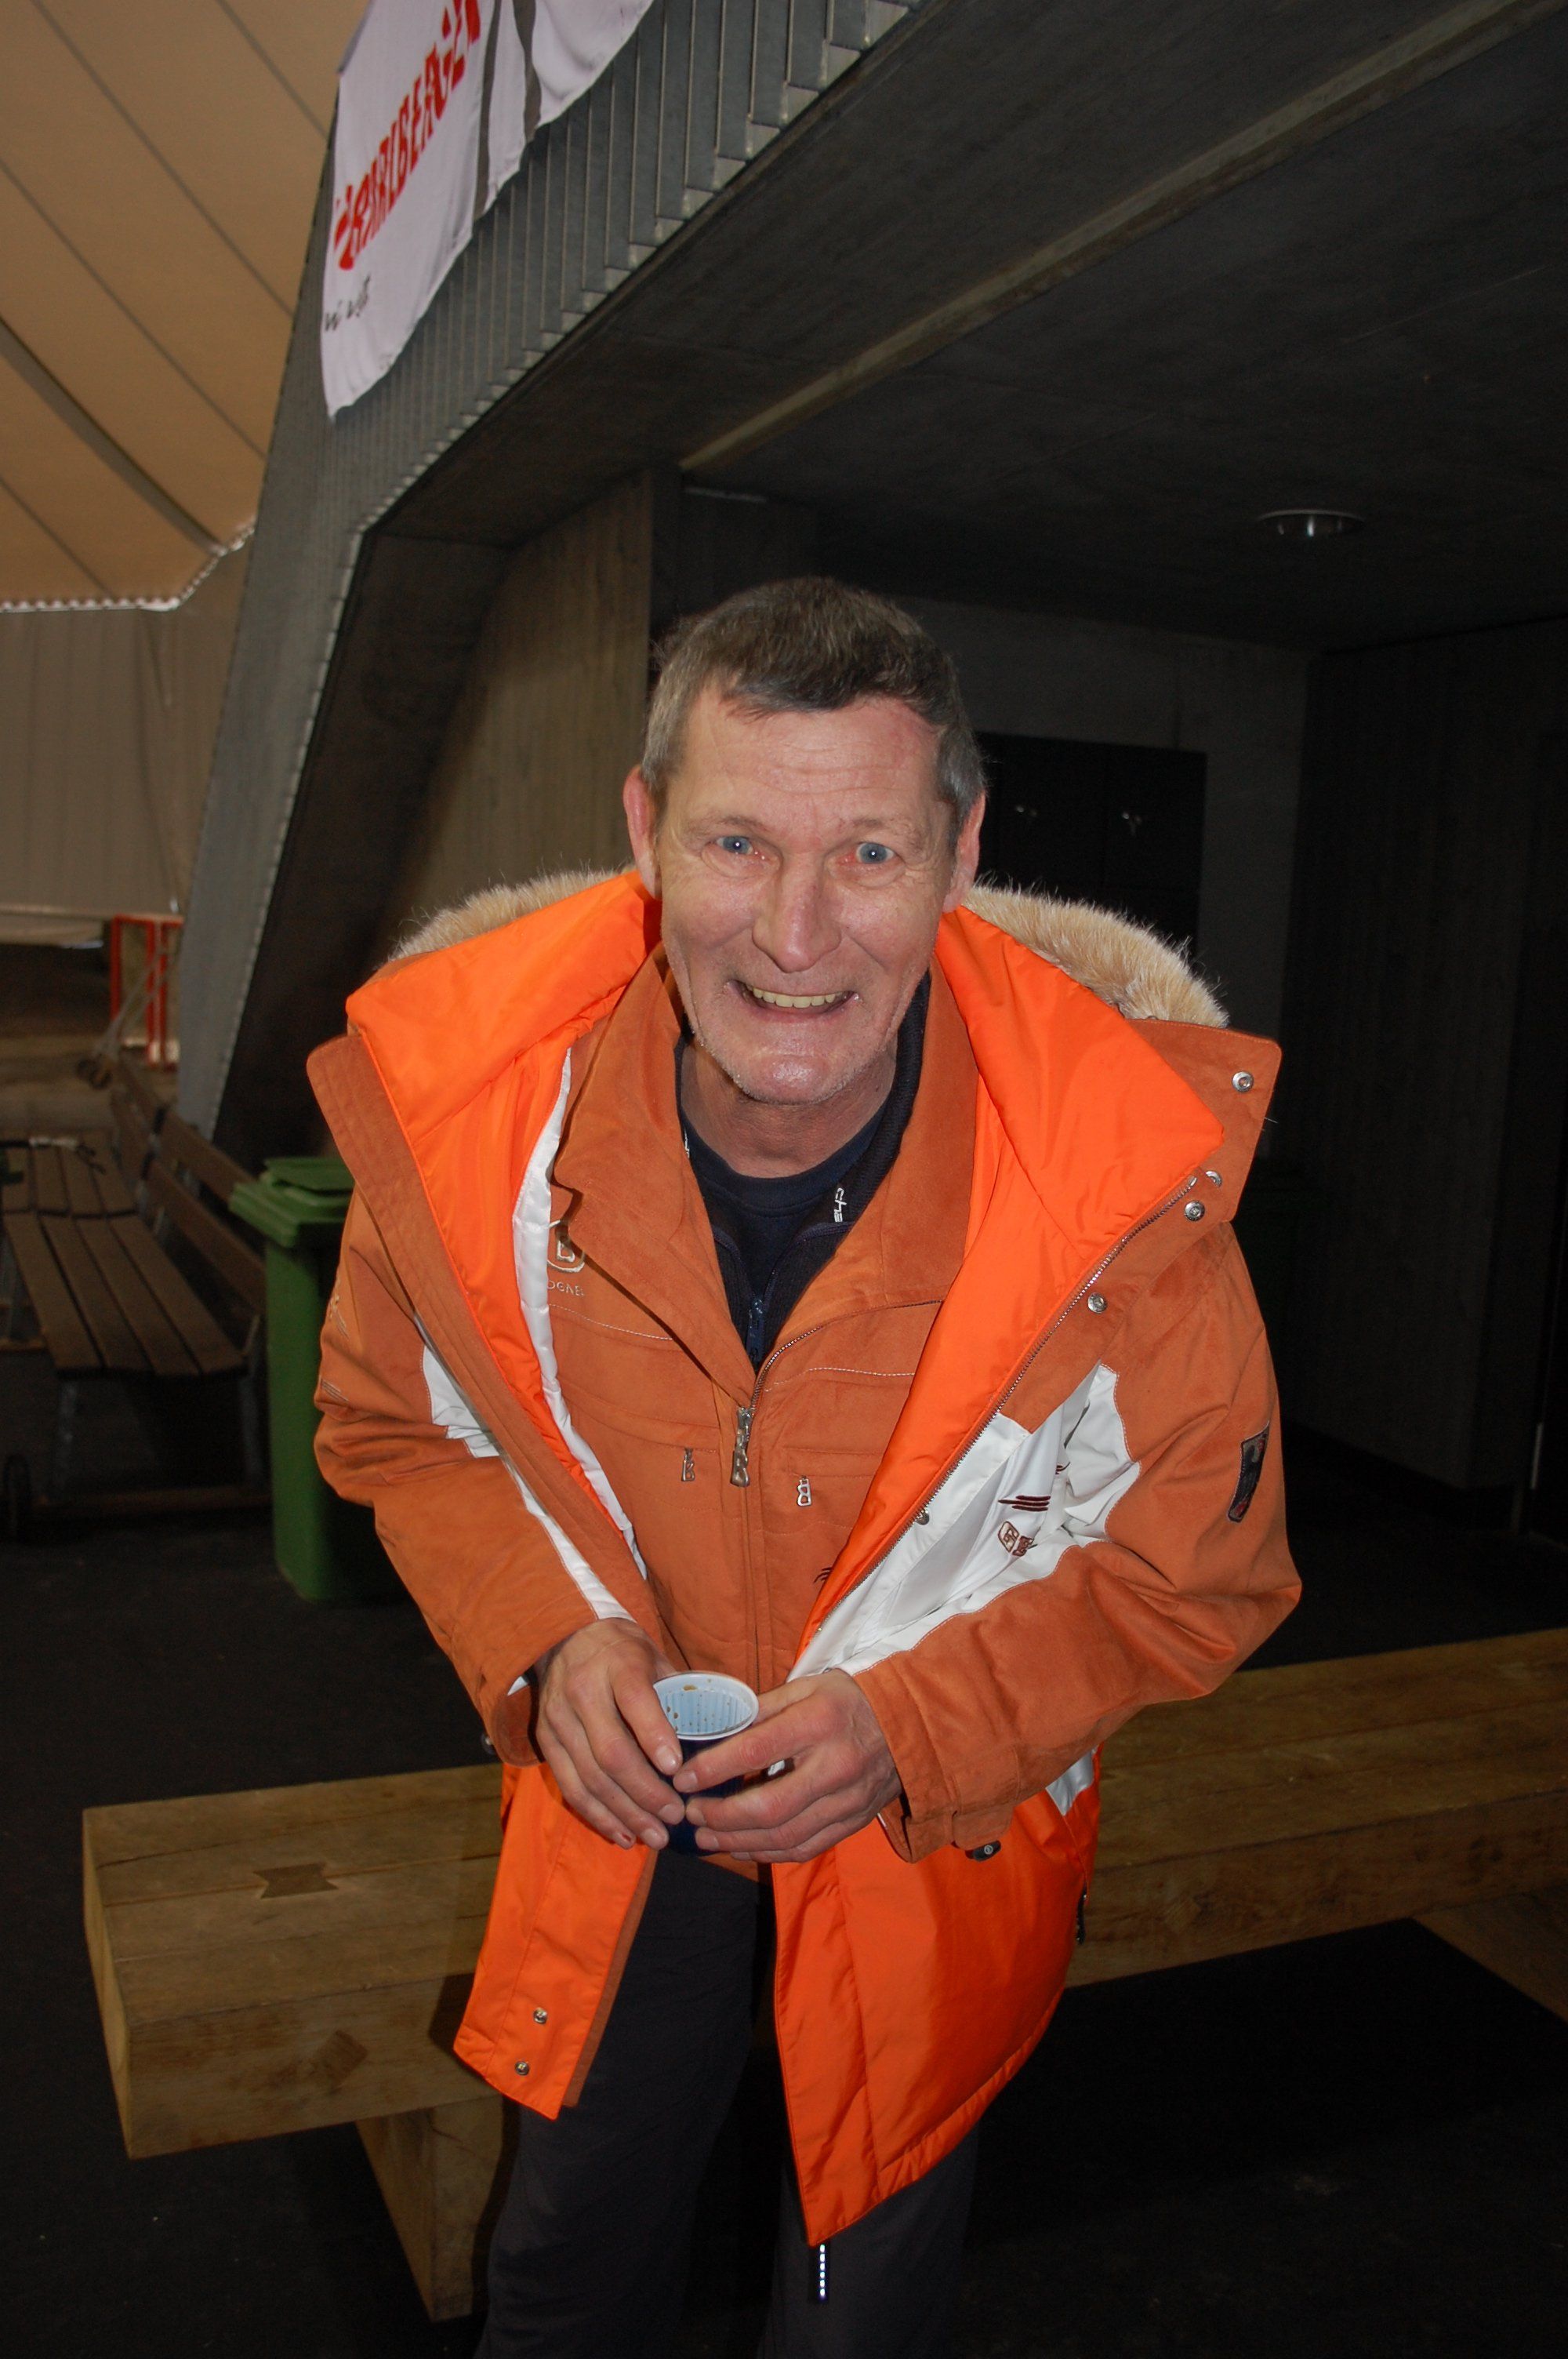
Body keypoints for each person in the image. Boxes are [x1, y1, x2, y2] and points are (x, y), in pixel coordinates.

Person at [310, 578, 1298, 2357]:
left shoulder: (1118, 1194)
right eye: (737, 842)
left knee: (851, 2312)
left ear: (961, 855)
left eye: (869, 855)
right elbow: (396, 1429)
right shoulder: (470, 1142)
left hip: (931, 1833)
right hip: (625, 1806)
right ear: (645, 830)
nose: (792, 935)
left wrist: (909, 1730)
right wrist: (546, 1639)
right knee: (558, 2273)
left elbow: (1198, 1576)